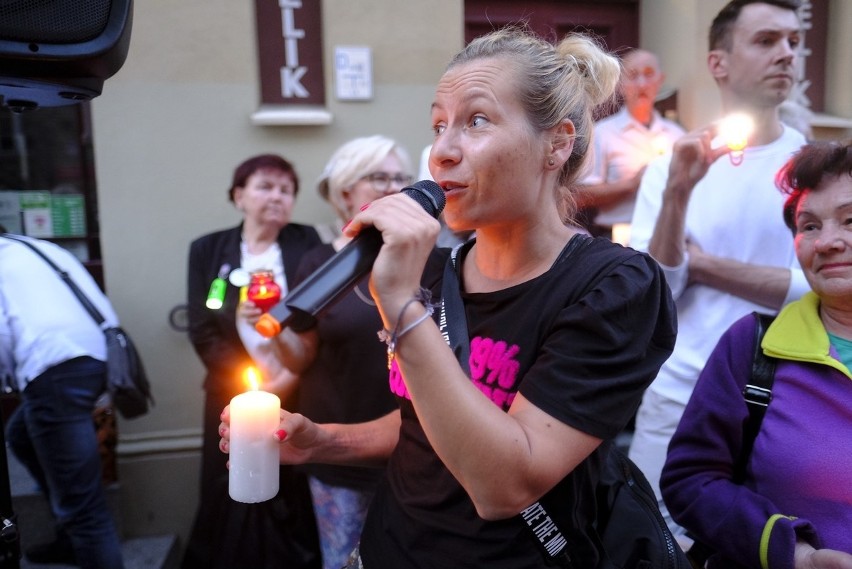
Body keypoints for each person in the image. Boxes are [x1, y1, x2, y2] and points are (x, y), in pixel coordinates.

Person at [221, 26, 677, 569]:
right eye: (439, 125)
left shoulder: (614, 288)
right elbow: (425, 422)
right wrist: (323, 441)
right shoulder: (443, 273)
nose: (441, 152)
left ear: (556, 143)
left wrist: (399, 305)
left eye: (476, 121)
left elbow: (505, 485)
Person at [627, 0, 811, 539]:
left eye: (794, 43)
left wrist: (701, 263)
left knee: (771, 542)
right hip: (677, 393)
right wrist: (680, 192)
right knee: (654, 538)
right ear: (719, 63)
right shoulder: (671, 166)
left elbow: (815, 292)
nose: (787, 54)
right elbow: (654, 290)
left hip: (786, 399)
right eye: (766, 40)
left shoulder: (815, 168)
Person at [661, 140, 852, 569]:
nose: (826, 243)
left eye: (850, 220)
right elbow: (689, 482)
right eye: (809, 226)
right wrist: (794, 553)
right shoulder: (754, 346)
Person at [239, 135, 412, 569]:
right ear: (346, 190)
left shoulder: (431, 258)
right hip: (337, 449)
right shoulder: (317, 263)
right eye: (379, 177)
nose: (393, 187)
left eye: (400, 178)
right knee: (345, 562)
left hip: (415, 450)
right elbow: (301, 357)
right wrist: (270, 327)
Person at [183, 154, 322, 569]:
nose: (276, 197)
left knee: (289, 485)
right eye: (265, 186)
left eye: (286, 190)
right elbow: (202, 327)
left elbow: (319, 317)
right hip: (231, 394)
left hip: (297, 390)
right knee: (229, 483)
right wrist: (251, 389)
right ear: (239, 195)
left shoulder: (307, 243)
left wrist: (284, 380)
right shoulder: (209, 250)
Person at [0, 233, 124, 569]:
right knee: (20, 434)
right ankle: (69, 536)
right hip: (96, 358)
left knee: (85, 510)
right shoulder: (39, 247)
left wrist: (9, 380)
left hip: (54, 371)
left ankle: (76, 527)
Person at [576, 48, 686, 241]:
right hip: (618, 237)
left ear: (660, 80)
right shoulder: (603, 133)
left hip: (667, 236)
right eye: (633, 76)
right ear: (620, 84)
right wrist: (632, 184)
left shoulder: (677, 135)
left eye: (649, 74)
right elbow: (581, 196)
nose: (642, 84)